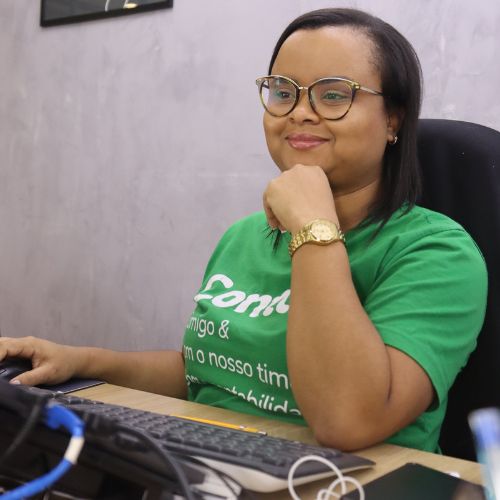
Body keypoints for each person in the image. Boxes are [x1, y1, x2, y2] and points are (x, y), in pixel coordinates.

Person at [0, 8, 487, 453]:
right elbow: (206, 373)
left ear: (393, 120)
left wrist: (313, 228)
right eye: (283, 92)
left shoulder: (438, 253)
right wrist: (80, 361)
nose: (300, 111)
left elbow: (347, 421)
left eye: (334, 94)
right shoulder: (245, 235)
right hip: (216, 466)